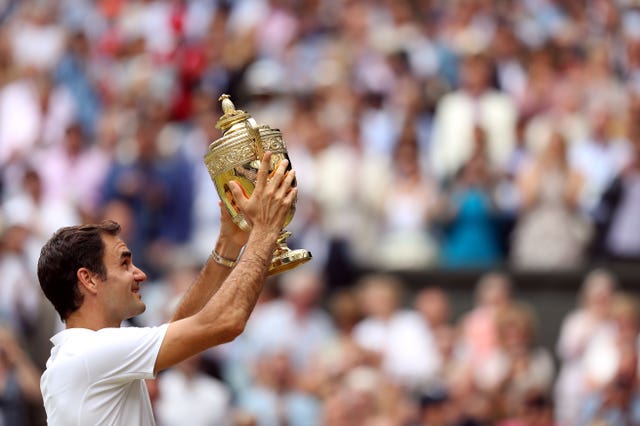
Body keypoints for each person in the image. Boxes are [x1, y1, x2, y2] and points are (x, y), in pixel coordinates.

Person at [37, 151, 297, 425]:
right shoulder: (89, 352)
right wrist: (266, 229)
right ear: (88, 279)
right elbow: (224, 322)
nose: (140, 274)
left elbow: (182, 328)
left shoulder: (88, 353)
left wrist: (229, 243)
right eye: (125, 264)